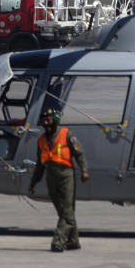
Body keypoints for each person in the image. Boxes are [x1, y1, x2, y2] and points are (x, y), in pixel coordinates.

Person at [27, 108, 90, 252]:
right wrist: (33, 182)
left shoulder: (67, 134)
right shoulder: (41, 140)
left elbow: (79, 154)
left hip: (66, 175)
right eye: (44, 119)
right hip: (51, 176)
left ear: (55, 119)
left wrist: (84, 170)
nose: (46, 122)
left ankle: (58, 240)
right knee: (63, 210)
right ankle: (73, 241)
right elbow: (39, 164)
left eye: (48, 119)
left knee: (66, 210)